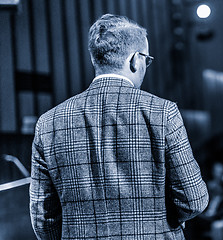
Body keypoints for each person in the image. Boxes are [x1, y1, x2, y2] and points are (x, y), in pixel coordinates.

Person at [29, 14, 209, 239]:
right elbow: (193, 201)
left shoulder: (48, 123)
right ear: (135, 59)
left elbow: (43, 220)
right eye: (147, 60)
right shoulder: (162, 112)